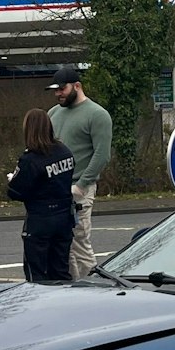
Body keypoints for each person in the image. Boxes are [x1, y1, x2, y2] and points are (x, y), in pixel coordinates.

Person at [47, 67, 112, 278]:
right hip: (56, 188)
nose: (58, 94)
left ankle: (94, 287)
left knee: (79, 243)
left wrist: (82, 185)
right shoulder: (53, 113)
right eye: (55, 90)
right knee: (62, 247)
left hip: (79, 188)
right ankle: (72, 289)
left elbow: (102, 154)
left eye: (62, 89)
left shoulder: (97, 115)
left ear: (77, 86)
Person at [8, 108, 76, 282]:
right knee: (60, 269)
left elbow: (15, 191)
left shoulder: (30, 160)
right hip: (64, 217)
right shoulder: (64, 151)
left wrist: (12, 179)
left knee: (36, 274)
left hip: (40, 220)